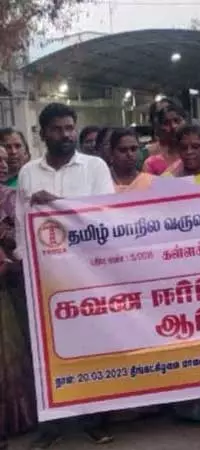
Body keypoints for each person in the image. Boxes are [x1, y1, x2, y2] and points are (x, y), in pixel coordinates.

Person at [16, 103, 115, 449]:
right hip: (44, 277)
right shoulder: (29, 172)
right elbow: (22, 223)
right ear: (43, 133)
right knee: (46, 351)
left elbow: (105, 216)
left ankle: (95, 420)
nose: (66, 135)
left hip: (87, 272)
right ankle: (52, 425)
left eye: (70, 128)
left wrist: (57, 204)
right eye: (57, 129)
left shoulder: (94, 167)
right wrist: (25, 263)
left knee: (91, 347)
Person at [0, 142, 35, 450]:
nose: (2, 164)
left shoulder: (11, 197)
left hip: (9, 285)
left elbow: (21, 238)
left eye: (3, 159)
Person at [143, 104, 187, 176]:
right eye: (166, 123)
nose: (173, 126)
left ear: (185, 122)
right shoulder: (150, 162)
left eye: (177, 120)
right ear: (159, 127)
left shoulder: (199, 153)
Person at [108, 128, 155, 192]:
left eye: (134, 149)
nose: (130, 154)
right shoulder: (102, 181)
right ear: (111, 152)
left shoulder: (150, 182)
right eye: (123, 150)